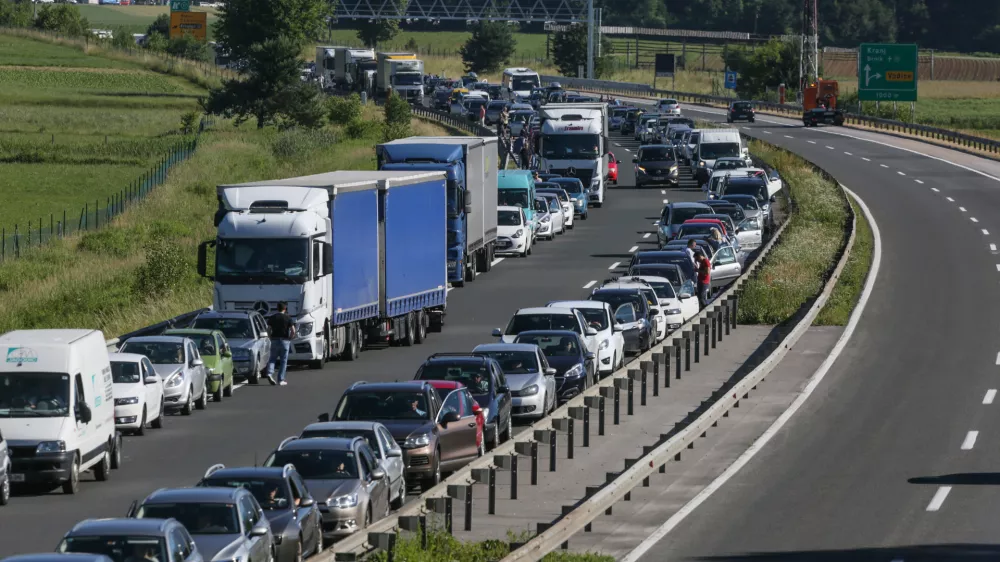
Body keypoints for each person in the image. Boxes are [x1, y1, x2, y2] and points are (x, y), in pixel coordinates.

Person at [265, 302, 296, 386]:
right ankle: (280, 380)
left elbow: (268, 329)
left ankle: (269, 373)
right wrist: (290, 338)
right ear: (285, 309)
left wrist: (270, 337)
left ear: (277, 308)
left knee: (272, 359)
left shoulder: (272, 318)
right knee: (283, 361)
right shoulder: (288, 318)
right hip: (285, 341)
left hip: (274, 340)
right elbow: (293, 331)